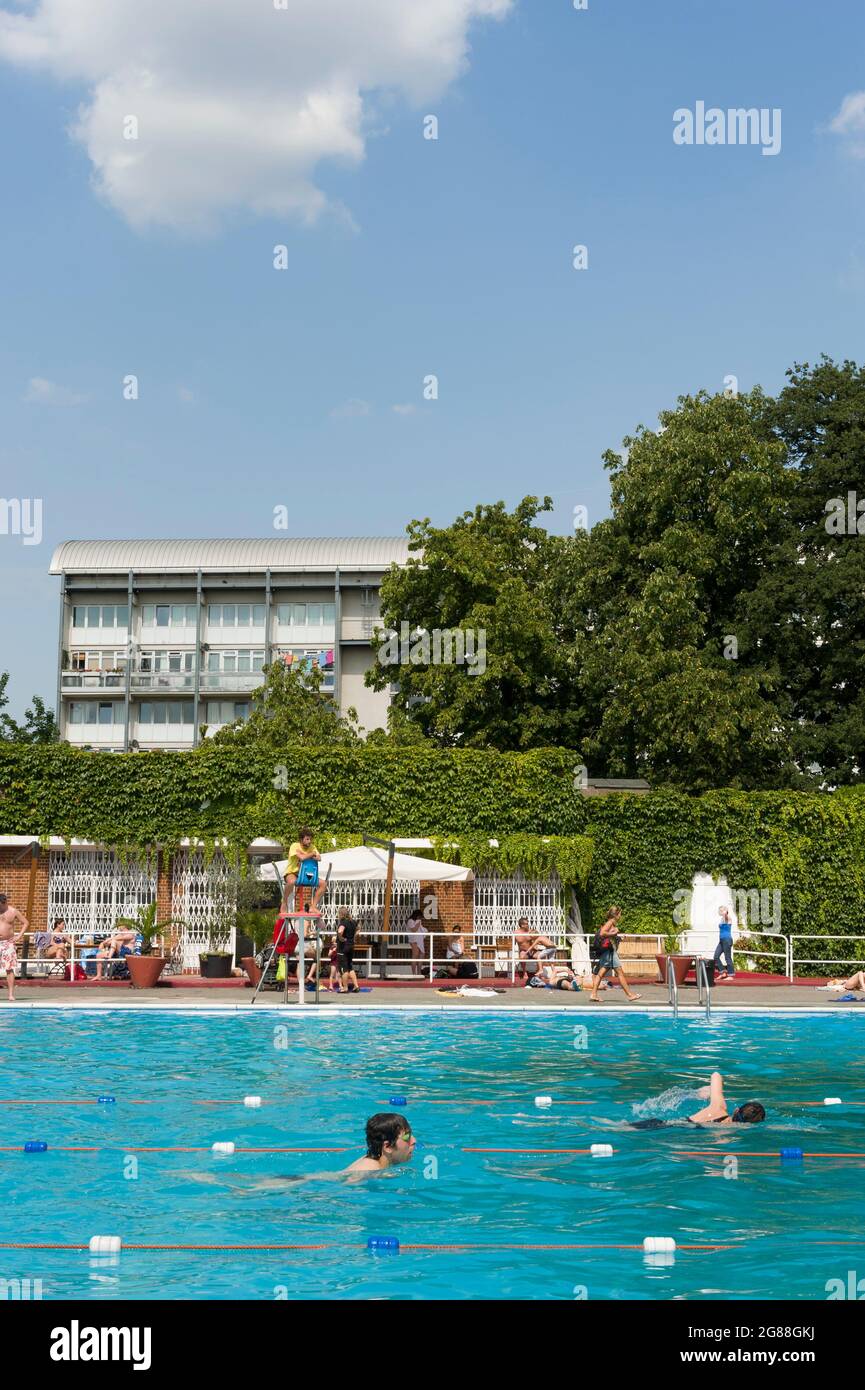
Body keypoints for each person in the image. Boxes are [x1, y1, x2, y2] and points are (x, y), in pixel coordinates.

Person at [631, 1071, 766, 1128]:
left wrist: (707, 1092)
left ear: (736, 1110)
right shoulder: (726, 1135)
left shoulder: (719, 1107)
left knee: (619, 1127)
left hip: (661, 1124)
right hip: (673, 1132)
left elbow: (716, 1075)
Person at [589, 907, 641, 1002]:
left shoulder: (611, 923)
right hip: (610, 953)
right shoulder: (610, 923)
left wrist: (618, 937)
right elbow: (602, 933)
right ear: (616, 915)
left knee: (601, 974)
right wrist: (614, 932)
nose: (620, 916)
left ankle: (593, 994)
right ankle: (629, 995)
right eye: (620, 914)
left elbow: (609, 936)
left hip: (609, 952)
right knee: (619, 972)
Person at [342, 1112, 416, 1179]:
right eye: (407, 1137)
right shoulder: (367, 1171)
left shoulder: (376, 1159)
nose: (414, 1141)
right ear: (388, 1147)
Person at [284, 828, 325, 914]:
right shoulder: (294, 846)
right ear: (301, 839)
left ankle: (313, 907)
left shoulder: (312, 847)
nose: (309, 841)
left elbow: (319, 858)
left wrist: (304, 854)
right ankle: (284, 903)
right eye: (307, 839)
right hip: (293, 872)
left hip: (305, 875)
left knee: (323, 883)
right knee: (291, 881)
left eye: (310, 839)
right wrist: (311, 854)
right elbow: (302, 858)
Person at [0, 894, 28, 1001]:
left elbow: (25, 923)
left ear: (5, 903)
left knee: (9, 968)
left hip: (8, 942)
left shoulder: (13, 911)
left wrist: (19, 936)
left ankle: (10, 994)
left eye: (1, 905)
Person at [337, 907, 360, 994]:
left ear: (341, 914)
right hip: (351, 946)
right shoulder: (353, 922)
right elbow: (358, 929)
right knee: (350, 967)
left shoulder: (343, 923)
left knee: (343, 968)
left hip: (343, 948)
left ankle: (345, 988)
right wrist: (354, 937)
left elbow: (340, 931)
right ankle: (356, 986)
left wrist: (341, 938)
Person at [714, 906, 735, 981]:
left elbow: (726, 916)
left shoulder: (728, 918)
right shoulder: (721, 919)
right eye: (720, 910)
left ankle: (731, 974)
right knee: (716, 956)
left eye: (722, 910)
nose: (720, 911)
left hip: (727, 940)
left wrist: (725, 913)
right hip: (721, 941)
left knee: (727, 957)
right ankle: (723, 972)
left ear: (726, 911)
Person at [406, 908, 429, 976]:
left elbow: (421, 929)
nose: (420, 918)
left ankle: (419, 972)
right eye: (419, 917)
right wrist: (418, 924)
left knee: (422, 955)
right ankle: (413, 973)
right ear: (417, 915)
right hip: (413, 940)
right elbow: (414, 929)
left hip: (419, 939)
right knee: (415, 955)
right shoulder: (410, 921)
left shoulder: (418, 921)